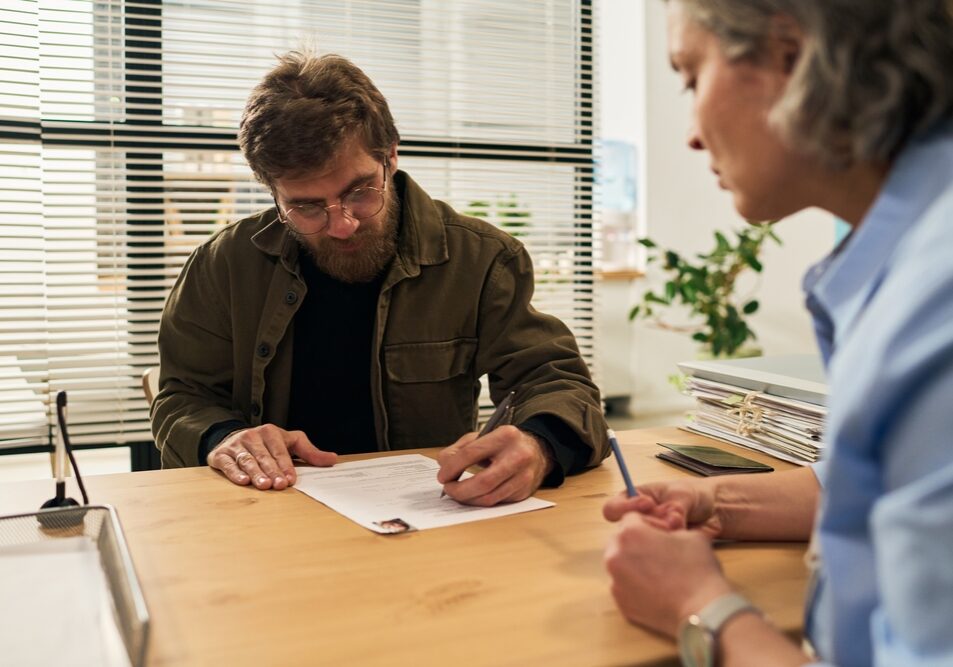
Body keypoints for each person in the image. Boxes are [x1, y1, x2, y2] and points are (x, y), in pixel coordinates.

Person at [602, 1, 953, 665]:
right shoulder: (911, 249)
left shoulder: (933, 307)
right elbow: (884, 476)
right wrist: (719, 501)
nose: (690, 136)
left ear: (791, 58)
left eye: (689, 75)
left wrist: (701, 608)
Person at [151, 52, 609, 507]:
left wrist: (540, 445)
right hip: (270, 513)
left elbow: (556, 381)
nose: (342, 224)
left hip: (425, 518)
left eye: (359, 191)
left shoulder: (481, 259)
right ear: (272, 191)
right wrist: (225, 437)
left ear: (390, 156)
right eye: (306, 206)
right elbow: (182, 396)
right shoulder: (224, 264)